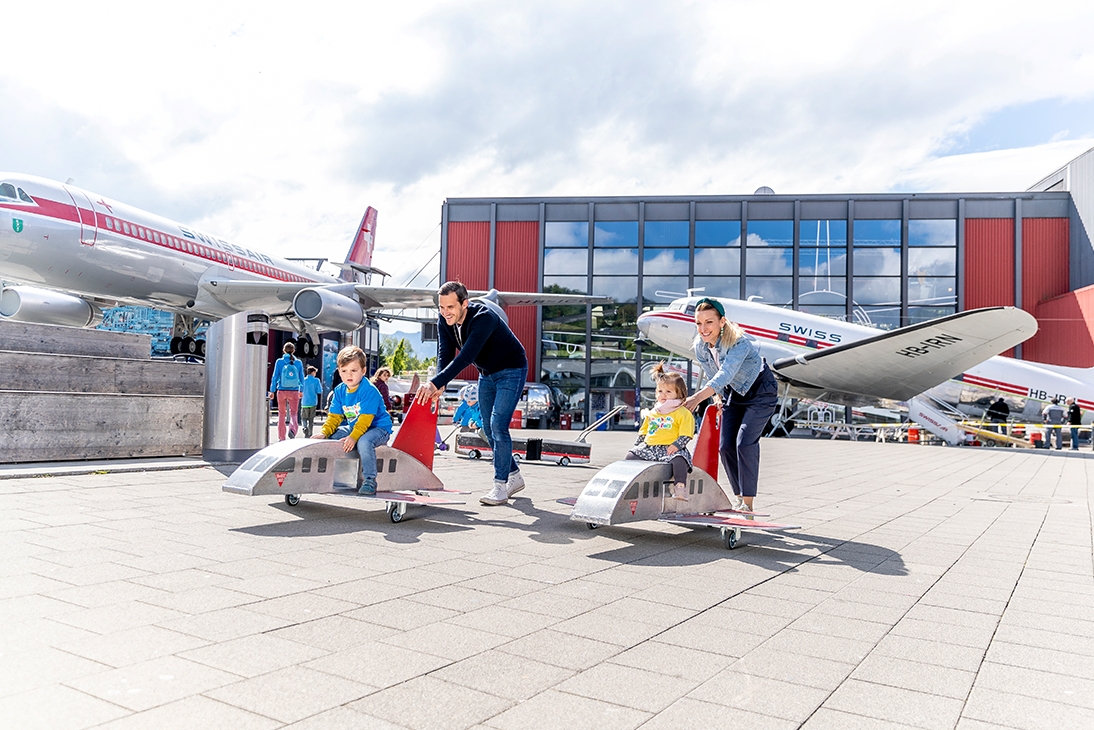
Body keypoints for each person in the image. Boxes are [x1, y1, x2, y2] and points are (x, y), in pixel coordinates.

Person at [416, 281, 528, 506]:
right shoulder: (444, 320)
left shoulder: (483, 318)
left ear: (464, 304)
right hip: (487, 373)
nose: (445, 312)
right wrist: (441, 385)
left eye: (450, 307)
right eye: (441, 307)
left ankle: (500, 486)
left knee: (497, 426)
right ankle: (514, 476)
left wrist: (434, 383)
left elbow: (466, 356)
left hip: (512, 370)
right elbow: (445, 353)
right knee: (486, 428)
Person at [682, 297, 777, 513]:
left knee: (744, 443)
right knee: (725, 447)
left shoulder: (739, 343)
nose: (703, 329)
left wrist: (697, 398)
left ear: (722, 321)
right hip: (734, 393)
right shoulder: (700, 346)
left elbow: (725, 373)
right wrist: (717, 396)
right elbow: (711, 371)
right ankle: (739, 498)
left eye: (709, 322)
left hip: (761, 391)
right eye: (699, 323)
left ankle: (748, 505)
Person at [313, 346, 392, 495]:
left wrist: (353, 437)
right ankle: (330, 474)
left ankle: (370, 480)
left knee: (364, 442)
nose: (348, 375)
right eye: (344, 371)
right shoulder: (339, 390)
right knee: (333, 435)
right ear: (339, 371)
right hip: (356, 427)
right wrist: (324, 433)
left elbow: (365, 420)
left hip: (378, 428)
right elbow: (334, 417)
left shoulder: (369, 390)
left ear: (363, 371)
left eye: (353, 371)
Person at [626, 363, 695, 502]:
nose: (663, 395)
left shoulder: (682, 413)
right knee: (630, 457)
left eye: (668, 392)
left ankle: (680, 487)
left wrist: (677, 445)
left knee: (680, 461)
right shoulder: (654, 411)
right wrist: (638, 446)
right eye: (660, 391)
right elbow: (644, 431)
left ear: (679, 394)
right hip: (650, 448)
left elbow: (686, 433)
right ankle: (629, 485)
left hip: (671, 448)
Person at [269, 342, 305, 441]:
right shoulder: (298, 363)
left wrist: (272, 390)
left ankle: (281, 437)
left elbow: (274, 377)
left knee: (282, 414)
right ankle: (293, 430)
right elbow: (302, 378)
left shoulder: (279, 362)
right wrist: (301, 390)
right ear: (294, 350)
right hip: (294, 391)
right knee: (293, 413)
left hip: (281, 391)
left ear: (284, 350)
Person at [300, 366, 323, 438]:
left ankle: (304, 427)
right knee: (311, 419)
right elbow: (319, 391)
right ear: (313, 372)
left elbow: (300, 390)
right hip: (313, 402)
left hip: (304, 402)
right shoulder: (316, 380)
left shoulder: (303, 380)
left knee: (303, 417)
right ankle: (310, 433)